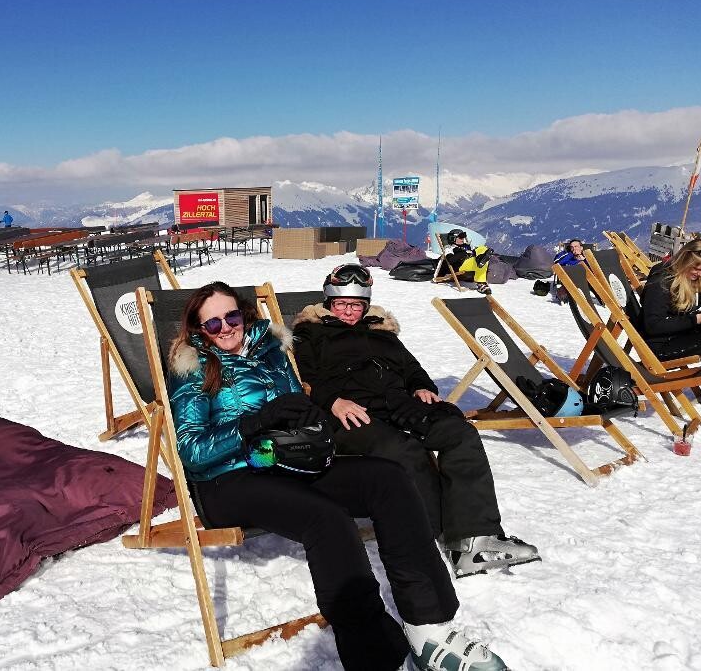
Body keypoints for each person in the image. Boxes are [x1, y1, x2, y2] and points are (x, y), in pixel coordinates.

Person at [169, 281, 510, 671]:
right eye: (213, 324)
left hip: (287, 462)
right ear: (200, 331)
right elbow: (192, 452)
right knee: (326, 518)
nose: (226, 328)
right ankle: (376, 656)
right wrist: (257, 422)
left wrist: (308, 416)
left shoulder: (270, 348)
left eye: (232, 317)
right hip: (228, 481)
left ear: (244, 315)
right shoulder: (194, 366)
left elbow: (295, 401)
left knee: (389, 478)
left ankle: (428, 627)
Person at [292, 264, 540, 579]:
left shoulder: (381, 331)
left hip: (399, 403)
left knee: (458, 432)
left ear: (366, 304)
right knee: (403, 449)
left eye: (356, 305)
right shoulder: (309, 333)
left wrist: (421, 386)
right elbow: (303, 377)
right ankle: (437, 537)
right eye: (341, 304)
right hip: (351, 411)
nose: (349, 312)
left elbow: (411, 368)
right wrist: (332, 401)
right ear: (328, 302)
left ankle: (475, 537)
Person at [639, 238, 701, 361]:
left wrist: (700, 317)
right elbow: (653, 325)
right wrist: (697, 319)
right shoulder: (660, 282)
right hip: (660, 345)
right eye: (697, 269)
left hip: (677, 335)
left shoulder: (686, 279)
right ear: (685, 261)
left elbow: (678, 314)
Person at [445, 230, 493, 295]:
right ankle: (481, 283)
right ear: (453, 238)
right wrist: (464, 252)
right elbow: (451, 260)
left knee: (482, 248)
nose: (463, 239)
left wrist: (471, 251)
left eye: (463, 238)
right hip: (461, 265)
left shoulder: (466, 246)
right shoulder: (449, 248)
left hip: (471, 261)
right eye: (461, 238)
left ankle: (481, 259)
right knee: (481, 261)